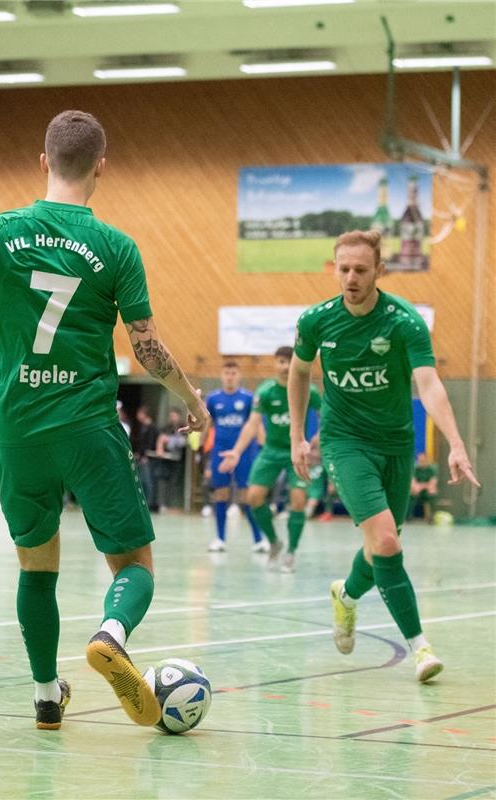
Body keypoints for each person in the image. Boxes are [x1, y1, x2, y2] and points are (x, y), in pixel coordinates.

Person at [0, 110, 210, 730]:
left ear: (43, 161)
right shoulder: (116, 247)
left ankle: (47, 693)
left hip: (18, 430)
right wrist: (190, 397)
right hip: (87, 426)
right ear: (101, 166)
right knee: (134, 566)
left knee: (37, 564)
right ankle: (111, 633)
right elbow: (147, 348)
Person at [290, 229, 479, 684]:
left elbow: (429, 384)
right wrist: (300, 435)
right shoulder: (316, 321)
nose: (351, 277)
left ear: (379, 271)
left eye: (360, 269)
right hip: (345, 443)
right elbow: (299, 374)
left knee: (379, 550)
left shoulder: (404, 321)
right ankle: (420, 647)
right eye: (344, 268)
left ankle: (347, 596)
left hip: (396, 445)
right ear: (334, 269)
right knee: (388, 542)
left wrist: (454, 441)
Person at [219, 346, 321, 572]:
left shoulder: (309, 390)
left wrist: (318, 438)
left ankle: (291, 552)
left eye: (289, 362)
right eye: (281, 362)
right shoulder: (265, 392)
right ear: (275, 364)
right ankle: (274, 542)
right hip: (271, 451)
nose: (285, 366)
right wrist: (236, 451)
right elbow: (252, 424)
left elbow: (328, 415)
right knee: (253, 497)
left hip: (297, 451)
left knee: (297, 500)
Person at [205, 361, 265, 553]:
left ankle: (258, 540)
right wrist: (202, 449)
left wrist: (263, 447)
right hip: (220, 451)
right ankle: (220, 539)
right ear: (221, 375)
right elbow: (208, 423)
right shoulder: (213, 399)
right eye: (226, 373)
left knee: (246, 495)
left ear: (239, 376)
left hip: (245, 451)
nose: (230, 376)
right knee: (221, 493)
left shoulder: (248, 398)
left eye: (233, 373)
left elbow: (256, 424)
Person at [410, 453, 439, 524]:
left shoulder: (432, 469)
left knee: (432, 492)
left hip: (427, 489)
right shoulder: (414, 468)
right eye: (419, 460)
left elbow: (433, 483)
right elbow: (413, 482)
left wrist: (422, 486)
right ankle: (408, 517)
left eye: (423, 460)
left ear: (427, 460)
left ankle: (431, 518)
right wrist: (417, 487)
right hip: (417, 489)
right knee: (411, 492)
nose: (421, 462)